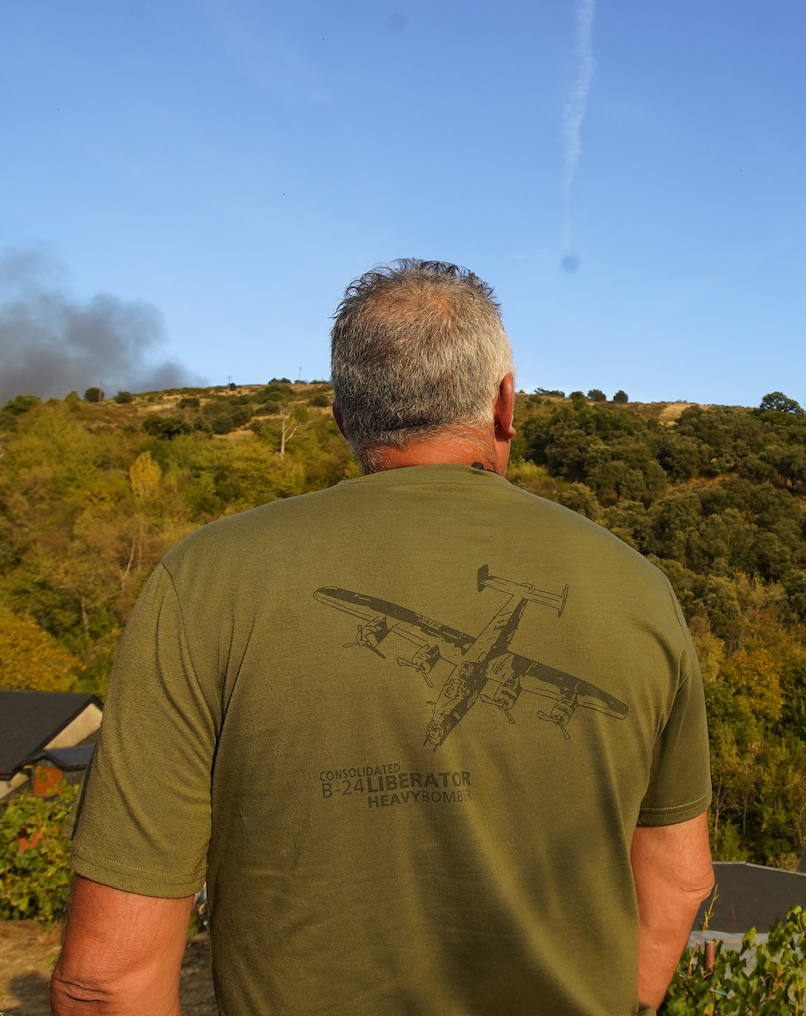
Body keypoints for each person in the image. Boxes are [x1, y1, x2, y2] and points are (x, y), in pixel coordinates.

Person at [51, 259, 714, 1015]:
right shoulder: (643, 592)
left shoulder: (204, 580)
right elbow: (681, 877)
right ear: (505, 403)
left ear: (343, 415)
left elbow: (104, 981)